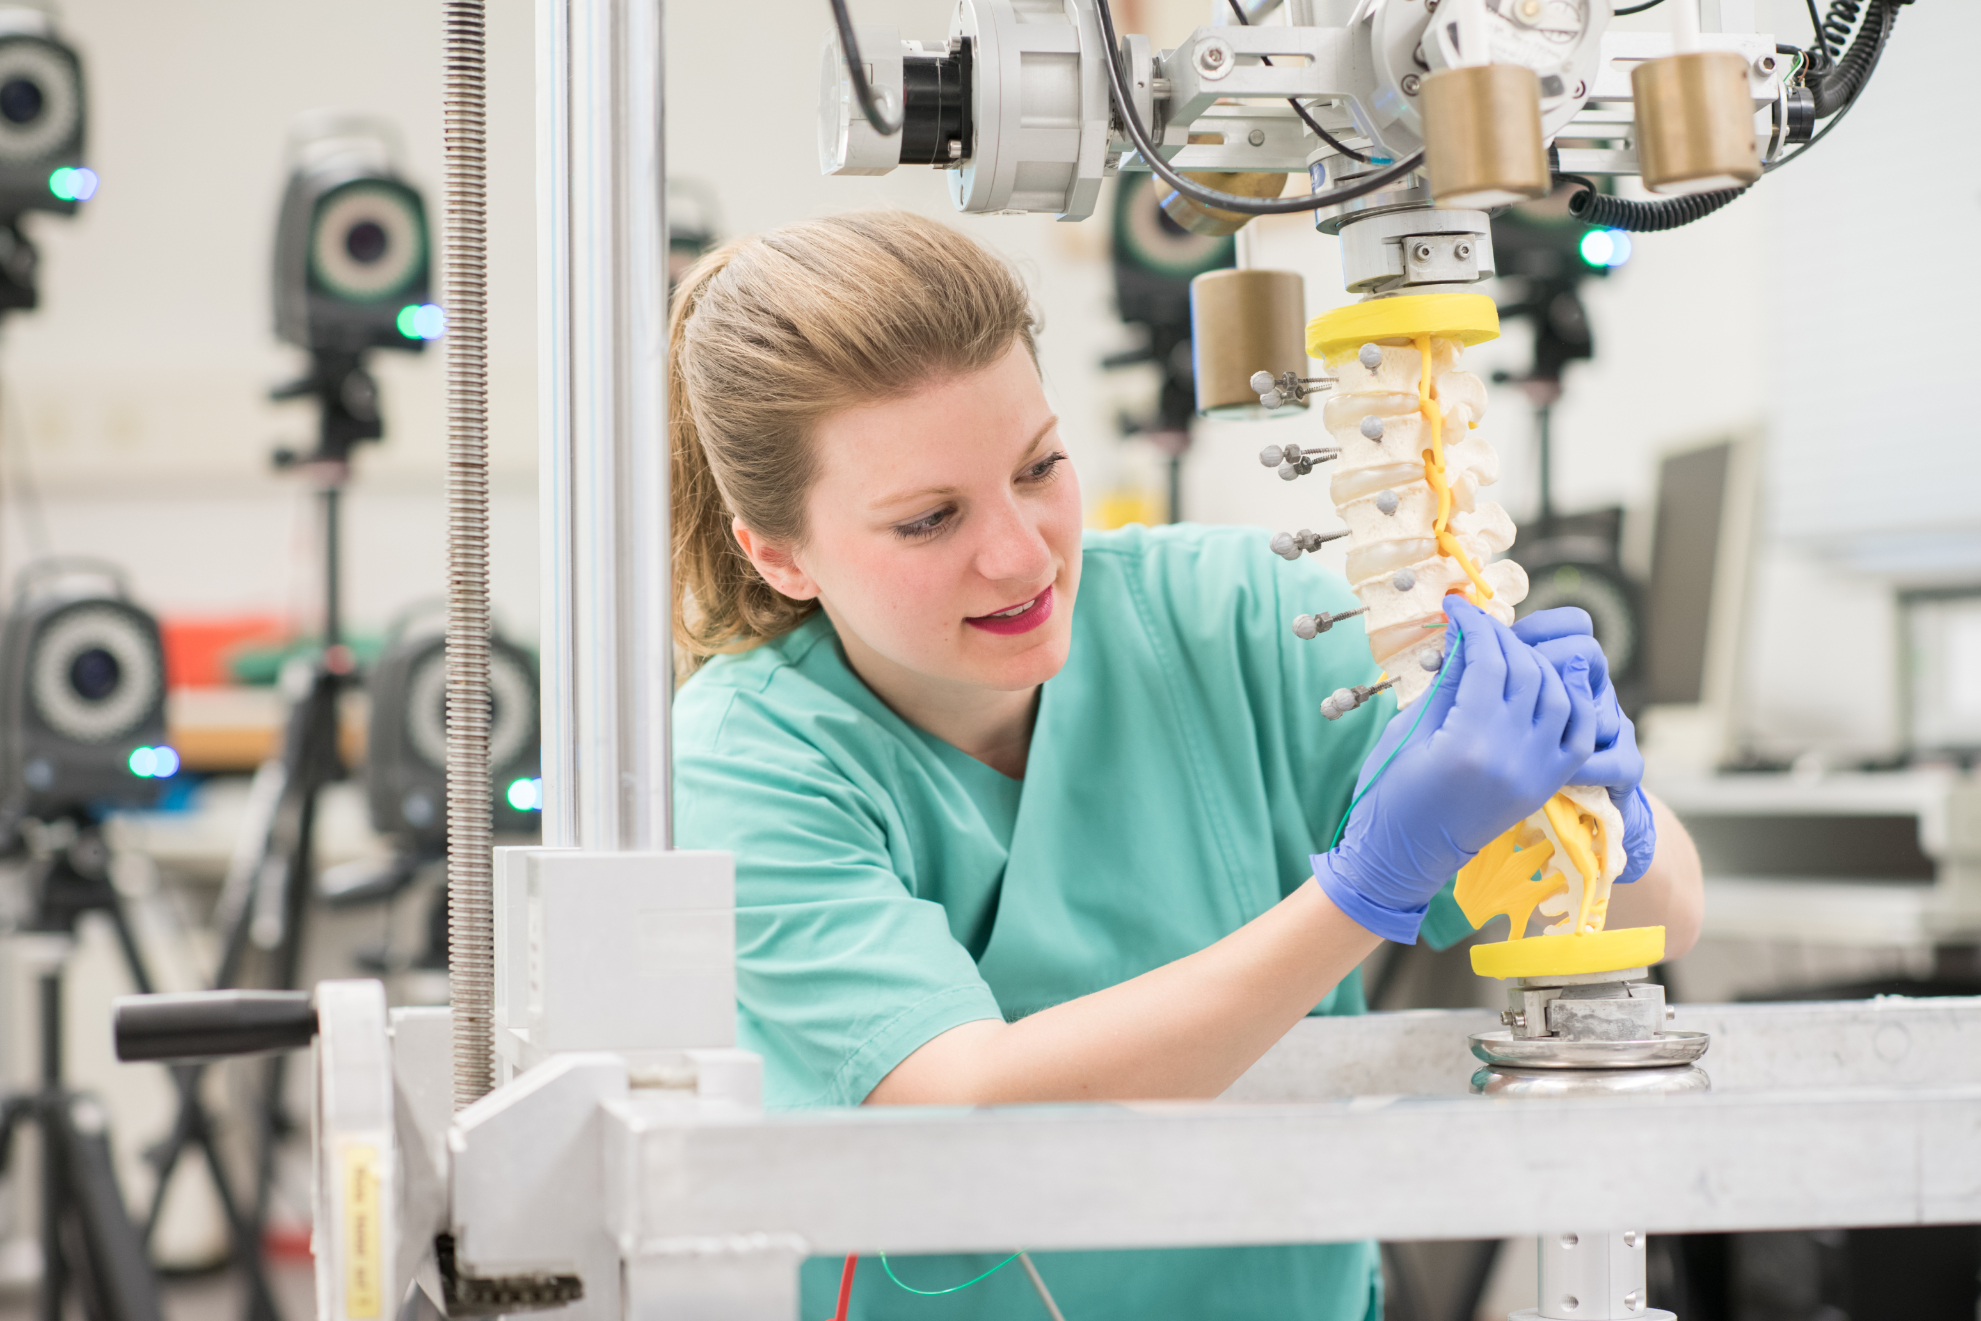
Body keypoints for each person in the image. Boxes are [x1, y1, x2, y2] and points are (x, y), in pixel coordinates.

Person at [670, 211, 1703, 1321]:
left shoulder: (1247, 617)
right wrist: (1363, 891)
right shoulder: (749, 757)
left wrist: (1590, 799)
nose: (1020, 553)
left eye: (1039, 467)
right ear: (777, 555)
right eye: (928, 520)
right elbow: (962, 1102)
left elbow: (1664, 913)